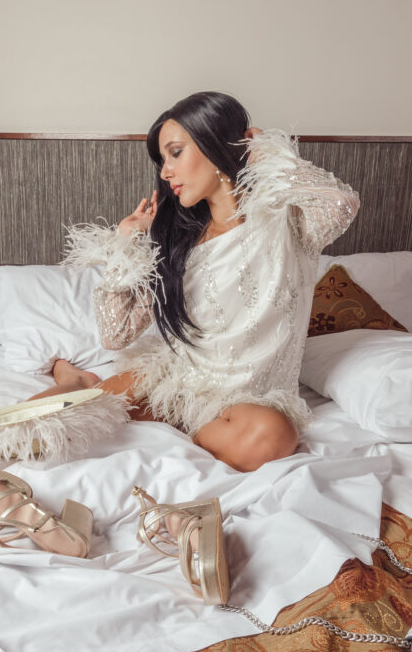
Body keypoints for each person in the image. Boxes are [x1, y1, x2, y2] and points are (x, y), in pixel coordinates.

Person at [31, 91, 360, 472]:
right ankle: (74, 376)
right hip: (176, 381)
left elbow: (340, 204)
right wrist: (126, 243)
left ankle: (166, 426)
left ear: (216, 144)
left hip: (249, 403)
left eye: (174, 153)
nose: (165, 171)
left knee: (271, 435)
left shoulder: (289, 221)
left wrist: (265, 152)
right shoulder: (176, 241)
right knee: (40, 424)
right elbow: (115, 335)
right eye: (161, 160)